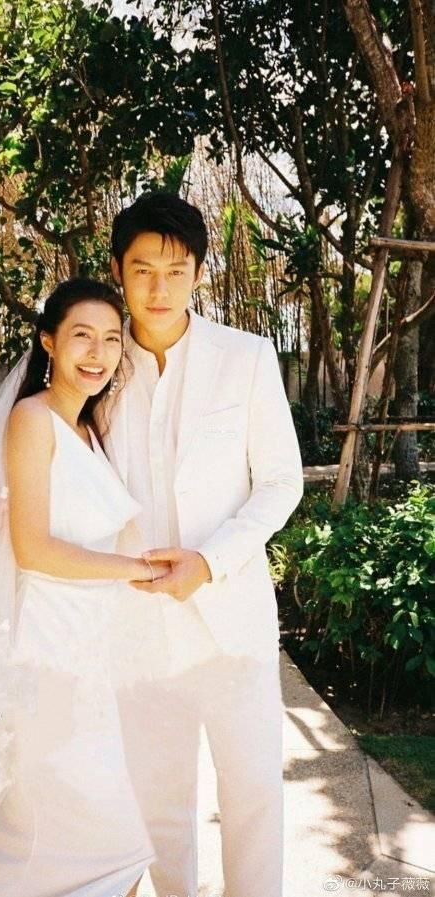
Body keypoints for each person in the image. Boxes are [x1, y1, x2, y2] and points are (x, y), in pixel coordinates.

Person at [0, 278, 161, 897]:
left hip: (89, 659)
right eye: (81, 337)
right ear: (48, 341)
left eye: (110, 340)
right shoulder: (32, 418)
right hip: (50, 654)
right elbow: (34, 549)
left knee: (64, 836)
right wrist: (139, 570)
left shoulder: (91, 432)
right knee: (98, 840)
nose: (97, 353)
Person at [96, 192, 304, 897]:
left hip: (232, 621)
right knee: (159, 804)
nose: (160, 288)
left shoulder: (244, 357)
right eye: (143, 269)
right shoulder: (96, 365)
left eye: (176, 270)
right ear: (118, 272)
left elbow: (280, 482)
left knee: (252, 793)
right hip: (134, 627)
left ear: (199, 274)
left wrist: (210, 560)